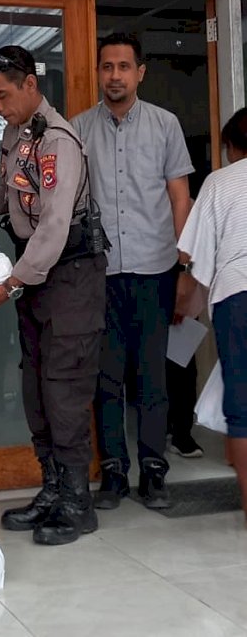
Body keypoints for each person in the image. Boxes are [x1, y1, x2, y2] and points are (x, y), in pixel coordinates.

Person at [0, 46, 107, 546]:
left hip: (70, 274)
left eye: (3, 95)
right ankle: (52, 489)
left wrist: (13, 281)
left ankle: (78, 503)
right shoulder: (20, 134)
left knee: (64, 387)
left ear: (30, 85)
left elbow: (56, 223)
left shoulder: (57, 139)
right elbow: (20, 197)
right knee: (37, 384)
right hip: (37, 275)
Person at [71, 33, 194, 511]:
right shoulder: (79, 129)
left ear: (140, 72)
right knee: (106, 378)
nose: (115, 75)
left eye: (124, 66)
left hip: (155, 268)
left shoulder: (166, 125)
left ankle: (154, 470)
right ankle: (115, 472)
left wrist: (185, 265)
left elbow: (179, 197)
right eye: (107, 67)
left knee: (152, 377)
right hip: (100, 274)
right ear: (99, 72)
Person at [177, 107, 247, 524]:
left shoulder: (219, 182)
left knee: (242, 408)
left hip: (236, 297)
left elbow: (194, 255)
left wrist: (185, 302)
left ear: (230, 146)